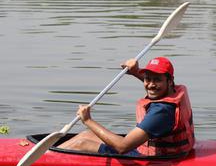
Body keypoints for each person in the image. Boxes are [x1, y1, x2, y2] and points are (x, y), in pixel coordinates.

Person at [58, 57, 195, 157]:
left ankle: (43, 159)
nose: (150, 85)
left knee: (81, 143)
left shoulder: (161, 112)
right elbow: (154, 85)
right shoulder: (177, 90)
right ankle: (48, 152)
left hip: (151, 157)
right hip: (177, 150)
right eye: (148, 79)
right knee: (85, 134)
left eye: (157, 80)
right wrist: (136, 71)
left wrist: (88, 120)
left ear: (169, 81)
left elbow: (122, 147)